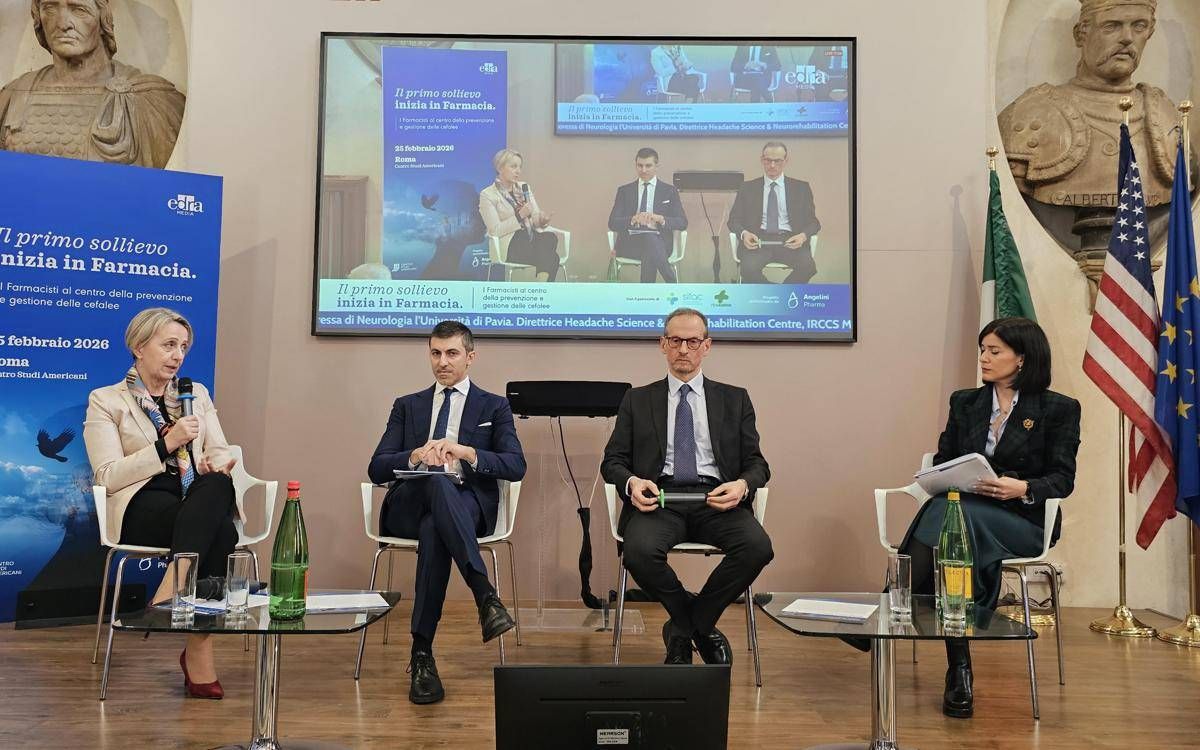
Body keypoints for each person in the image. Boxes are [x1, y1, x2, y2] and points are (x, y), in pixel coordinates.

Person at [896, 317, 1080, 719]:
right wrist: (948, 475)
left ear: (1022, 358)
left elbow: (1062, 479)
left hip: (1023, 520)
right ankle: (959, 667)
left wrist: (1023, 487)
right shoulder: (966, 402)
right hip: (966, 512)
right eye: (982, 350)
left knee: (949, 516)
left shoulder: (1058, 409)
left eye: (994, 351)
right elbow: (945, 460)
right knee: (952, 516)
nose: (984, 357)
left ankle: (899, 601)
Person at [601, 308, 772, 665]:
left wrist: (741, 486)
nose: (683, 349)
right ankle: (697, 625)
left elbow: (758, 465)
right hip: (660, 499)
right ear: (662, 344)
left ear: (706, 346)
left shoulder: (735, 398)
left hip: (716, 499)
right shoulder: (637, 399)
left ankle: (683, 629)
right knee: (638, 552)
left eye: (692, 342)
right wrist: (632, 482)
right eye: (675, 340)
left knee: (757, 547)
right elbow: (612, 461)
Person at [83, 308, 239, 699]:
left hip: (194, 497)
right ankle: (197, 652)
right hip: (142, 502)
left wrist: (215, 463)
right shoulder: (106, 401)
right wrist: (165, 445)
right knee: (220, 530)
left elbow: (220, 450)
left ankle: (174, 587)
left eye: (183, 347)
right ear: (139, 346)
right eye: (169, 345)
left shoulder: (195, 394)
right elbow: (107, 475)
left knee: (217, 484)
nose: (178, 355)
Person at [367, 320, 525, 704]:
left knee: (435, 527)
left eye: (452, 353)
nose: (442, 362)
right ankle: (484, 595)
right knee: (435, 482)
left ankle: (421, 653)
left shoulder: (494, 406)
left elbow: (515, 465)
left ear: (470, 357)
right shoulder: (408, 405)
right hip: (409, 503)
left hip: (467, 504)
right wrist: (416, 455)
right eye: (436, 353)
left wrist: (466, 452)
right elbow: (376, 468)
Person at [998, 0, 1182, 209]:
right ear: (1080, 35)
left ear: (1150, 31)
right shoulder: (1032, 113)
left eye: (1139, 26)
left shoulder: (1168, 117)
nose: (1127, 38)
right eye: (1111, 26)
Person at [0, 0, 186, 168]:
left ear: (102, 18)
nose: (63, 24)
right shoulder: (13, 96)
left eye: (79, 9)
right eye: (50, 8)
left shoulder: (150, 101)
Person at [727, 141, 821, 284]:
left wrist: (802, 236)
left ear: (786, 161)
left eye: (777, 161)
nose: (772, 165)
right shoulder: (747, 188)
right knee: (748, 269)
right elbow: (733, 220)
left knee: (807, 267)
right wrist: (744, 234)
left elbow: (814, 223)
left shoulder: (801, 188)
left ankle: (776, 294)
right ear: (761, 160)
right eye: (768, 160)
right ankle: (779, 294)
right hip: (758, 241)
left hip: (789, 241)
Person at [607, 147, 688, 283]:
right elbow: (612, 223)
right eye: (640, 166)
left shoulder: (669, 191)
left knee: (650, 243)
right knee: (650, 243)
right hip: (631, 244)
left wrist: (661, 219)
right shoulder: (624, 191)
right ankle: (672, 282)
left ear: (656, 166)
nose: (643, 170)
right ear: (636, 165)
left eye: (648, 166)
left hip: (661, 244)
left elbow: (682, 222)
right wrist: (633, 219)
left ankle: (647, 292)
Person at [478, 148, 561, 282]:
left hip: (531, 242)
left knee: (550, 237)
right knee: (553, 257)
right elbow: (494, 231)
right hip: (510, 246)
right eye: (513, 166)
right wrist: (519, 216)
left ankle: (540, 286)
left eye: (520, 167)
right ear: (500, 168)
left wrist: (542, 220)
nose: (518, 171)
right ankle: (542, 288)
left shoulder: (524, 187)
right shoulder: (487, 195)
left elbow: (534, 218)